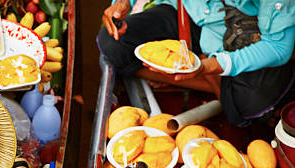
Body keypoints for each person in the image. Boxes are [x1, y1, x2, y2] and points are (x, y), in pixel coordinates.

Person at [98, 0, 295, 126]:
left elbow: (277, 47)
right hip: (191, 11)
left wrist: (210, 66)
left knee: (249, 105)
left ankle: (207, 77)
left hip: (247, 31)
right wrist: (123, 2)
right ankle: (214, 84)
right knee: (112, 42)